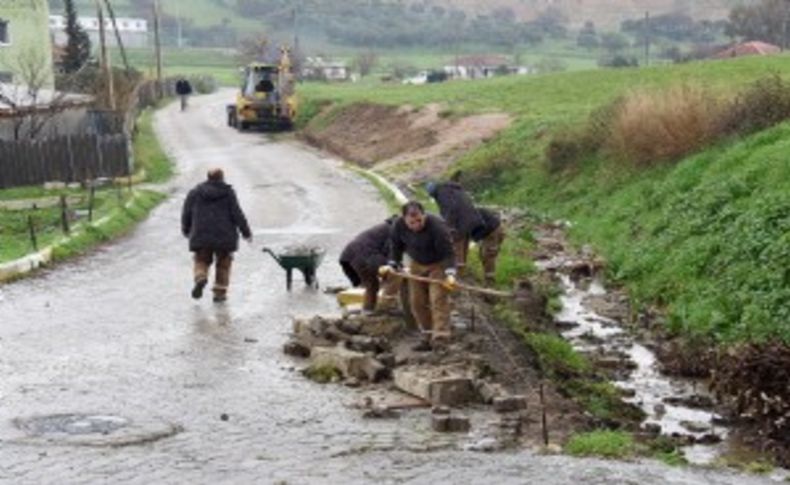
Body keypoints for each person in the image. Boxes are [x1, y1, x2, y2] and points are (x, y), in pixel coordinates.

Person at [383, 201, 457, 351]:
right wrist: (392, 264)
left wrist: (450, 274)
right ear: (404, 219)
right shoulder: (398, 225)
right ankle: (427, 336)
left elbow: (449, 253)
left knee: (437, 299)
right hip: (417, 263)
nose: (416, 225)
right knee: (416, 302)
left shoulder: (437, 227)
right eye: (411, 222)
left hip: (438, 264)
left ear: (424, 215)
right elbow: (396, 247)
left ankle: (441, 338)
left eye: (419, 221)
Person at [181, 168, 252, 303]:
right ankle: (219, 293)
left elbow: (186, 213)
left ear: (207, 178)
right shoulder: (228, 193)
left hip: (201, 234)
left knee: (201, 260)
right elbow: (237, 214)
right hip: (225, 235)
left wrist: (186, 229)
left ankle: (201, 277)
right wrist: (246, 232)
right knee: (223, 264)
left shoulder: (195, 192)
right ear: (222, 178)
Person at [339, 216, 401, 312]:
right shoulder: (395, 231)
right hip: (365, 255)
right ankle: (387, 307)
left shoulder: (386, 227)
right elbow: (391, 255)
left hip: (351, 254)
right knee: (394, 276)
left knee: (371, 284)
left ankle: (369, 310)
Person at [426, 178, 484, 277]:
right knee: (463, 247)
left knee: (455, 248)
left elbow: (450, 210)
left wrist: (448, 227)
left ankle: (456, 276)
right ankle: (461, 272)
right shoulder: (451, 189)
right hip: (469, 221)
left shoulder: (442, 193)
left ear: (434, 192)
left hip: (460, 222)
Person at [471, 207, 506, 286]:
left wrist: (475, 240)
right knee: (482, 255)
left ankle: (490, 283)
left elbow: (489, 226)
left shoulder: (471, 215)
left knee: (488, 256)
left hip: (493, 231)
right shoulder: (468, 214)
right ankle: (486, 279)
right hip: (489, 232)